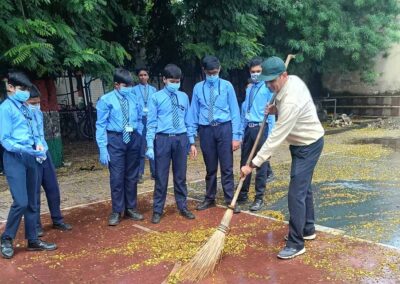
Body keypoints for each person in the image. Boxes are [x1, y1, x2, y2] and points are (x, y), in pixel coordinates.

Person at [241, 56, 324, 259]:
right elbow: (283, 105)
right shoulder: (289, 83)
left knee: (295, 193)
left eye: (272, 81)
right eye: (267, 81)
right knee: (304, 188)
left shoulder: (292, 100)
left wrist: (252, 164)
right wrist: (274, 108)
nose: (269, 86)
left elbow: (275, 138)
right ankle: (308, 228)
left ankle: (296, 243)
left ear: (284, 75)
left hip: (309, 144)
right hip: (299, 143)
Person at [0, 71, 57, 259]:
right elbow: (5, 140)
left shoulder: (26, 108)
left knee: (33, 200)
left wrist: (38, 145)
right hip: (15, 158)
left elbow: (33, 131)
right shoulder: (6, 109)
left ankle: (33, 240)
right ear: (10, 87)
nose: (25, 93)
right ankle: (6, 238)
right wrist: (26, 149)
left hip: (32, 156)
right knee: (21, 201)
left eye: (26, 89)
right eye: (21, 89)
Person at [188, 55, 241, 213]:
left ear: (219, 70)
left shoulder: (227, 86)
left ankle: (230, 198)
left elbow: (235, 111)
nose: (213, 75)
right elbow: (193, 112)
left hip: (224, 128)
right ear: (204, 71)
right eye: (210, 72)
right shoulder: (198, 88)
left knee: (227, 167)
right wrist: (192, 138)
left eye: (215, 72)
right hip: (206, 130)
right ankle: (209, 198)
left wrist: (236, 136)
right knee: (210, 167)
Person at [146, 64, 197, 224]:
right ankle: (157, 210)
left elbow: (188, 120)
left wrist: (192, 142)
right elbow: (151, 122)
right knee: (161, 176)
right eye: (172, 81)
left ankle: (182, 206)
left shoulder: (183, 97)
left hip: (181, 138)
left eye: (177, 81)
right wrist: (149, 144)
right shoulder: (155, 97)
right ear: (164, 80)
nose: (175, 84)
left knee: (180, 176)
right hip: (163, 139)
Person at [96, 68, 143, 226]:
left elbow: (139, 118)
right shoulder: (106, 100)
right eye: (125, 85)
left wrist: (140, 134)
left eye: (130, 85)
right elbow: (101, 125)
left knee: (132, 175)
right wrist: (103, 147)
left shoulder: (134, 98)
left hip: (133, 137)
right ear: (116, 85)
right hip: (115, 139)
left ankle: (131, 207)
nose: (128, 88)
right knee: (117, 177)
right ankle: (117, 210)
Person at [27, 85, 72, 237]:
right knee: (34, 192)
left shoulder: (38, 114)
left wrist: (43, 149)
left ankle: (57, 219)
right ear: (24, 102)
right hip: (30, 154)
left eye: (37, 102)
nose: (36, 106)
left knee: (53, 188)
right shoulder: (20, 117)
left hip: (44, 152)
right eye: (33, 103)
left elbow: (40, 134)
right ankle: (36, 225)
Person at [238, 57, 276, 211]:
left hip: (262, 127)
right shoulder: (249, 88)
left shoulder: (268, 89)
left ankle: (259, 197)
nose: (256, 74)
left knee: (261, 164)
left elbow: (271, 113)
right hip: (249, 128)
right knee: (245, 162)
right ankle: (243, 193)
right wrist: (241, 132)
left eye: (259, 71)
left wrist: (271, 137)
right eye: (253, 72)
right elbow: (244, 111)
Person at [132, 67, 157, 183]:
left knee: (153, 146)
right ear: (138, 76)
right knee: (140, 147)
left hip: (151, 119)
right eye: (141, 75)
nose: (143, 77)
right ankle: (139, 173)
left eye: (145, 75)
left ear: (148, 76)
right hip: (140, 120)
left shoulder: (153, 90)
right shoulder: (133, 90)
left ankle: (155, 172)